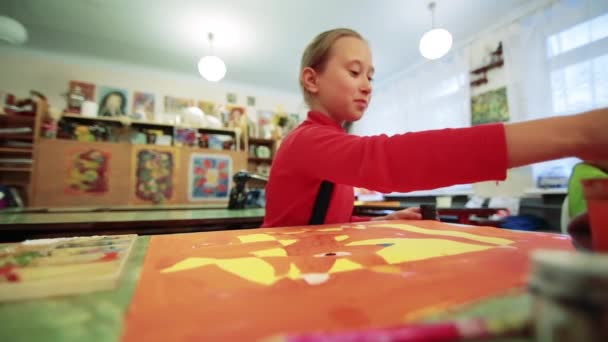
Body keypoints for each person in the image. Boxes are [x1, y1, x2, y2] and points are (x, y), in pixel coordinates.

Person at [262, 28, 608, 228]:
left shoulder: (332, 142)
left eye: (371, 75)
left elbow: (320, 225)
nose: (367, 85)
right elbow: (388, 159)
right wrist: (575, 134)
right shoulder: (306, 141)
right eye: (354, 72)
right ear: (312, 79)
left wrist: (379, 224)